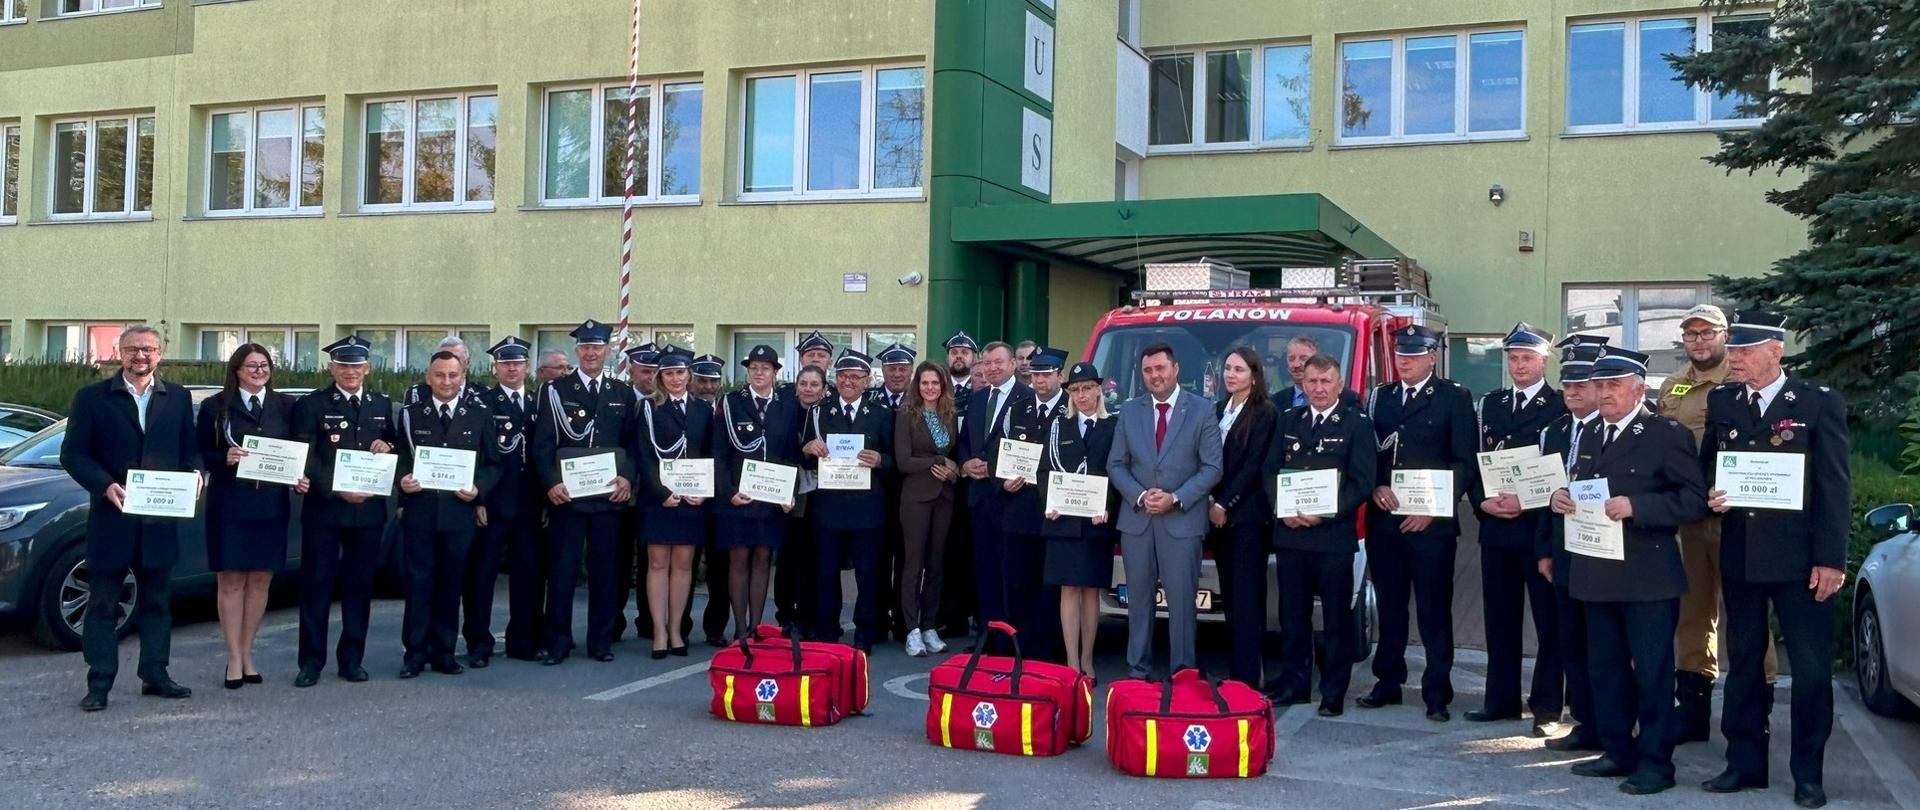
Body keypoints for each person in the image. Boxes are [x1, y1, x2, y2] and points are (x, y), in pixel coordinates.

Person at [1700, 311, 1849, 809]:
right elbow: (1708, 470)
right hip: (1742, 554)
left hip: (1802, 561)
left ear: (1775, 351)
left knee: (1809, 672)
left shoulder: (1815, 404)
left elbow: (1834, 488)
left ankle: (1808, 773)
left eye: (1744, 352)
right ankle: (1744, 764)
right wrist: (1712, 495)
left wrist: (1831, 560)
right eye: (1733, 351)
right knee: (1744, 663)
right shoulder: (1723, 401)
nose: (1735, 360)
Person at [1549, 346, 1705, 796]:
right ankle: (1617, 750)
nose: (1604, 393)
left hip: (1646, 576)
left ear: (1639, 388)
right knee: (1606, 669)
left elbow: (1692, 501)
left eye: (1613, 385)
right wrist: (1562, 498)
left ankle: (1656, 763)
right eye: (1599, 385)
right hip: (1595, 571)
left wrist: (1638, 506)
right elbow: (1582, 487)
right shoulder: (1589, 433)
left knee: (1652, 674)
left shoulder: (1663, 434)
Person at [1655, 303, 1778, 744]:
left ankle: (1754, 710)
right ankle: (1692, 711)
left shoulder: (1742, 377)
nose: (1699, 342)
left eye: (1708, 333)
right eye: (1691, 335)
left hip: (1738, 517)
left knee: (1747, 616)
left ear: (1725, 335)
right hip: (1689, 516)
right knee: (1693, 613)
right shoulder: (1672, 384)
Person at [65, 325, 201, 711]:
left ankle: (155, 674)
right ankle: (99, 683)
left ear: (160, 354)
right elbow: (73, 455)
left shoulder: (176, 397)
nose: (141, 356)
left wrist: (195, 474)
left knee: (158, 602)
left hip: (159, 521)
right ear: (118, 352)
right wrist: (104, 485)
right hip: (113, 519)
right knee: (103, 605)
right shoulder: (92, 398)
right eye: (133, 349)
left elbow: (189, 450)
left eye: (149, 349)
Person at [1360, 324, 1476, 722]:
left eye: (1413, 355)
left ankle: (1436, 691)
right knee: (1390, 608)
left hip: (1432, 525)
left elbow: (1464, 460)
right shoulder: (1380, 397)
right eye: (1400, 354)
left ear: (1431, 356)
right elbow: (1369, 452)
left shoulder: (1453, 398)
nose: (1404, 361)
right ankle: (1388, 681)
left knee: (1433, 609)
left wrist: (1435, 507)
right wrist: (1374, 485)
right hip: (1387, 520)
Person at [1261, 352, 1375, 715]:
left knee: (1337, 620)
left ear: (1339, 385)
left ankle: (1333, 692)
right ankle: (1295, 683)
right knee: (1292, 617)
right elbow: (1269, 471)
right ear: (1303, 384)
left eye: (1326, 382)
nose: (1319, 388)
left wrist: (1323, 514)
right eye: (1312, 381)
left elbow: (1362, 483)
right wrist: (1284, 509)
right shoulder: (1289, 420)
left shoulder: (1355, 424)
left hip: (1332, 540)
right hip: (1292, 535)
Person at [1469, 322, 1565, 734]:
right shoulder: (1490, 404)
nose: (1519, 365)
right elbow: (1475, 460)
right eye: (1512, 357)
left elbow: (1561, 471)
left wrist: (1529, 501)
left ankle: (1546, 708)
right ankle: (1501, 699)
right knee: (1500, 617)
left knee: (1549, 620)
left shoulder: (1559, 405)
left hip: (1538, 527)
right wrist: (1480, 500)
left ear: (1544, 361)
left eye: (1527, 357)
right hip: (1497, 526)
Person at [1108, 342, 1223, 678]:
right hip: (1138, 520)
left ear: (1175, 370)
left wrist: (1176, 498)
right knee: (1138, 601)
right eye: (1147, 370)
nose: (1154, 375)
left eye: (1160, 368)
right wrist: (1141, 495)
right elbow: (1116, 464)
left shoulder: (1202, 410)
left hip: (1182, 520)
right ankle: (1138, 669)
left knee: (1182, 601)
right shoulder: (1129, 411)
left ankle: (1183, 670)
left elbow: (1212, 467)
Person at [289, 335, 396, 688]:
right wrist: (337, 488)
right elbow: (307, 455)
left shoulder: (381, 404)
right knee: (317, 586)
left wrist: (387, 445)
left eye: (357, 365)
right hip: (326, 509)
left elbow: (393, 449)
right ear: (332, 367)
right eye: (344, 365)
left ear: (367, 368)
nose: (351, 371)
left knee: (359, 586)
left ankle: (352, 659)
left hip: (368, 511)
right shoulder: (312, 405)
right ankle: (310, 662)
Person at [196, 343, 304, 689]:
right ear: (237, 370)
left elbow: (300, 448)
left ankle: (248, 652)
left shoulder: (286, 406)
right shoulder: (215, 407)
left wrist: (300, 476)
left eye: (264, 365)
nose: (259, 370)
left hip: (271, 504)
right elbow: (200, 452)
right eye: (251, 365)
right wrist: (221, 459)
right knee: (231, 580)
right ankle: (232, 657)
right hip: (230, 503)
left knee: (260, 580)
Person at [531, 319, 636, 666]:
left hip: (607, 498)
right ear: (578, 352)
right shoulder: (556, 391)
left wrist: (627, 479)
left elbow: (632, 445)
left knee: (605, 573)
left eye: (598, 347)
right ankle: (558, 642)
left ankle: (601, 641)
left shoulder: (622, 393)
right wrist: (550, 483)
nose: (592, 353)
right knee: (561, 571)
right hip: (568, 497)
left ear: (607, 351)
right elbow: (543, 444)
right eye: (586, 348)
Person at [395, 351, 502, 678]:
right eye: (439, 375)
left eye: (452, 375)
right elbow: (400, 456)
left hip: (458, 513)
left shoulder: (480, 414)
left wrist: (478, 489)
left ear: (462, 377)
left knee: (451, 584)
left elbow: (493, 464)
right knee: (418, 583)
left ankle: (443, 652)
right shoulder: (411, 414)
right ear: (428, 377)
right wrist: (402, 479)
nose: (446, 382)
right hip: (421, 511)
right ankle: (415, 653)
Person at [1533, 336, 1608, 752]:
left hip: (1602, 550)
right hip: (1563, 550)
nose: (1573, 392)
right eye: (1567, 385)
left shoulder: (1610, 430)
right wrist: (1544, 548)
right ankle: (1583, 721)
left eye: (1582, 384)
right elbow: (1546, 494)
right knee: (1570, 642)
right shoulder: (1554, 431)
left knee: (1603, 644)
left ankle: (1609, 720)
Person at [799, 349, 894, 651]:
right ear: (835, 379)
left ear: (867, 381)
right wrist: (807, 449)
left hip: (868, 509)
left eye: (855, 377)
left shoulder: (881, 414)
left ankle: (865, 633)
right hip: (829, 507)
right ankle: (828, 630)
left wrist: (880, 460)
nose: (848, 381)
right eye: (842, 376)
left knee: (868, 575)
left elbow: (896, 460)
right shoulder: (818, 412)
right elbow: (802, 457)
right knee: (826, 573)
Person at [714, 345, 802, 639]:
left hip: (770, 497)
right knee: (739, 559)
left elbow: (790, 454)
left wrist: (789, 493)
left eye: (765, 368)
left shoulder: (785, 406)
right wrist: (728, 492)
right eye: (753, 368)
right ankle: (740, 628)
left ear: (775, 372)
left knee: (763, 558)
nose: (759, 373)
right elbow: (720, 454)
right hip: (739, 497)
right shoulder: (730, 403)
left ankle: (755, 627)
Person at [631, 347, 713, 659]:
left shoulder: (703, 410)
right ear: (660, 377)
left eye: (680, 372)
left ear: (689, 375)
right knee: (657, 564)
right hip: (658, 499)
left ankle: (677, 629)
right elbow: (643, 455)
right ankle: (659, 632)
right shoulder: (648, 409)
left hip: (691, 499)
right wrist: (661, 492)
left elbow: (709, 455)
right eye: (669, 373)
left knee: (682, 565)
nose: (676, 379)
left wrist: (704, 491)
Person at [1041, 362, 1117, 680]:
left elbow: (1119, 470)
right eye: (1075, 389)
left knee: (1090, 591)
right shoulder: (1060, 426)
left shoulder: (1113, 426)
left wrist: (1109, 506)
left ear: (1099, 389)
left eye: (1087, 388)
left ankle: (1088, 660)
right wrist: (1050, 501)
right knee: (1069, 590)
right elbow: (1044, 469)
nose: (1082, 395)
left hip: (1097, 521)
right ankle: (1071, 662)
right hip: (1064, 521)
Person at [1207, 347, 1278, 689]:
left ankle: (1248, 677)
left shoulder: (1265, 412)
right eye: (1227, 368)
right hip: (1218, 520)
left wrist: (1225, 503)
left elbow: (1254, 466)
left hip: (1247, 518)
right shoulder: (1220, 409)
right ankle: (1241, 671)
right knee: (1232, 602)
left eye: (1238, 369)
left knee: (1248, 600)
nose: (1230, 374)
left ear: (1254, 373)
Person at [993, 346, 1070, 661]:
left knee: (1050, 588)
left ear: (1059, 376)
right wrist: (1003, 482)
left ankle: (1049, 653)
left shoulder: (1071, 410)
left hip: (1055, 512)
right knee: (1018, 583)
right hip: (1019, 512)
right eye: (1035, 373)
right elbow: (999, 454)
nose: (1039, 380)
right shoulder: (1018, 409)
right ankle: (1018, 649)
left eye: (1046, 374)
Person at [474, 336, 540, 666]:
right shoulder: (483, 403)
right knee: (482, 576)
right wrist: (479, 498)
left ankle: (522, 639)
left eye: (517, 363)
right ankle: (479, 642)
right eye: (505, 363)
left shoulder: (541, 403)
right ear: (496, 367)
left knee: (527, 576)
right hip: (495, 503)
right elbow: (478, 457)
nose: (512, 368)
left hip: (530, 505)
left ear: (527, 366)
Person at [958, 341, 1029, 653]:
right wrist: (964, 463)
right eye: (987, 364)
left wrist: (996, 468)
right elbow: (964, 442)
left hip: (1012, 500)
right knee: (983, 572)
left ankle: (1012, 639)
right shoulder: (976, 400)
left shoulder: (1027, 398)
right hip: (979, 499)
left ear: (1012, 364)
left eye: (998, 362)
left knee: (1012, 573)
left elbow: (1030, 451)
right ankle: (986, 638)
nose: (992, 368)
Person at [895, 360, 960, 657]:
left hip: (944, 497)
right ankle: (911, 629)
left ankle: (930, 624)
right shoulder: (907, 414)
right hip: (916, 498)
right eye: (925, 383)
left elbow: (953, 456)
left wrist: (952, 470)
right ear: (917, 385)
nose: (930, 388)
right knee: (913, 564)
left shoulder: (950, 414)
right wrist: (937, 462)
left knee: (937, 563)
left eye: (935, 383)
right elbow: (903, 461)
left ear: (943, 385)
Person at [774, 364, 830, 635]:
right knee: (790, 555)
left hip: (823, 492)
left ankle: (813, 614)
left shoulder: (830, 412)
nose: (808, 389)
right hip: (790, 491)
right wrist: (803, 449)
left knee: (816, 555)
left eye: (814, 384)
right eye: (804, 383)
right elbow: (776, 450)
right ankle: (786, 614)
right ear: (796, 386)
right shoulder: (784, 413)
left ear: (824, 388)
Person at [868, 344, 916, 643]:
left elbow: (942, 442)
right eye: (891, 368)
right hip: (876, 492)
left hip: (913, 492)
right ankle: (876, 619)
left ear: (911, 370)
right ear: (882, 371)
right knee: (877, 559)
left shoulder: (924, 400)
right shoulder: (870, 400)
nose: (897, 374)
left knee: (908, 559)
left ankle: (903, 619)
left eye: (902, 368)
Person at [614, 341, 660, 643]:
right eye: (645, 371)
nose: (651, 378)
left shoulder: (662, 404)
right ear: (631, 372)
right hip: (619, 493)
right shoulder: (617, 399)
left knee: (650, 562)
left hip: (652, 495)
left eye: (656, 371)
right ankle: (613, 622)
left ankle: (649, 622)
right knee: (617, 561)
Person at [939, 331, 979, 642]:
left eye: (964, 351)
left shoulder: (982, 393)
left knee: (975, 551)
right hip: (943, 480)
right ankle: (951, 616)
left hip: (976, 481)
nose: (959, 356)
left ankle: (979, 614)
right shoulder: (937, 393)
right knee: (947, 551)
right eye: (954, 351)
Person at [689, 351, 731, 646]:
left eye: (712, 380)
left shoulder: (726, 410)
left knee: (720, 569)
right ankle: (677, 625)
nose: (707, 385)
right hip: (688, 497)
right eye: (701, 379)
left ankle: (715, 627)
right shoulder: (683, 409)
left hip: (719, 502)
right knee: (686, 566)